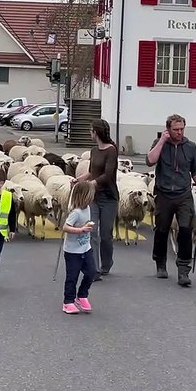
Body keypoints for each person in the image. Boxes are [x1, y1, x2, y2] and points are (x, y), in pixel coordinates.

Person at [146, 114, 196, 287]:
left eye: (182, 129)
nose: (179, 132)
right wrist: (161, 141)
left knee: (186, 230)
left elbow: (195, 170)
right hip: (164, 194)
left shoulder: (190, 147)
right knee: (162, 230)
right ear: (168, 129)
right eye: (175, 130)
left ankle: (183, 269)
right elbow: (150, 161)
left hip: (183, 194)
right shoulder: (159, 144)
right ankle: (160, 262)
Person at [73, 118, 118, 277]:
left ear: (96, 132)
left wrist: (93, 183)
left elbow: (108, 174)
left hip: (108, 196)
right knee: (92, 231)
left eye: (91, 131)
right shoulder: (93, 151)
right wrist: (79, 179)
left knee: (106, 233)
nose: (89, 133)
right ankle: (94, 268)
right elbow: (92, 171)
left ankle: (106, 262)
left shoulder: (111, 150)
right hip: (93, 197)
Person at [60, 180, 98, 314]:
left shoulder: (88, 208)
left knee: (91, 272)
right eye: (90, 195)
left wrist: (88, 226)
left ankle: (82, 294)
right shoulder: (75, 212)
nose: (92, 198)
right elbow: (65, 227)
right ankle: (68, 301)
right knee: (72, 276)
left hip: (85, 247)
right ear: (83, 196)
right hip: (72, 251)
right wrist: (81, 230)